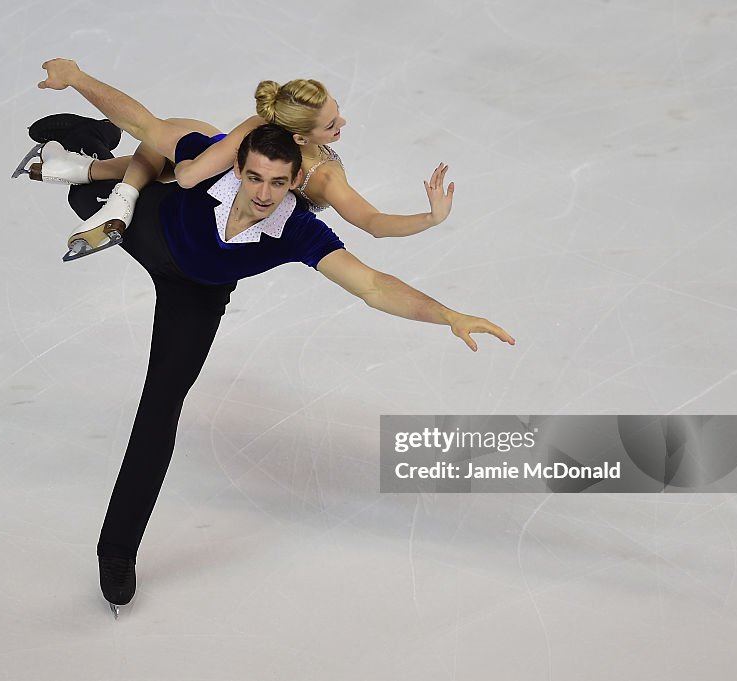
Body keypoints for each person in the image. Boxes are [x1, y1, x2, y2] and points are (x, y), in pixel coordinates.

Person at [32, 58, 515, 617]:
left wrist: (448, 314)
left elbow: (374, 286)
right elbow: (142, 120)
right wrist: (77, 77)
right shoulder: (208, 158)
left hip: (197, 294)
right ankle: (87, 151)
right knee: (112, 179)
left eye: (279, 183)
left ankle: (116, 550)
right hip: (151, 230)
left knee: (159, 408)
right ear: (238, 162)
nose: (263, 193)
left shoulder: (297, 229)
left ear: (295, 183)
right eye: (254, 176)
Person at [19, 71, 454, 256]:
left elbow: (163, 145)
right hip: (222, 195)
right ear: (299, 137)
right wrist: (431, 220)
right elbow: (373, 222)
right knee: (171, 151)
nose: (343, 123)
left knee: (168, 136)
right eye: (332, 123)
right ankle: (104, 188)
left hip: (230, 183)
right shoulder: (324, 175)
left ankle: (74, 170)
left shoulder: (262, 123)